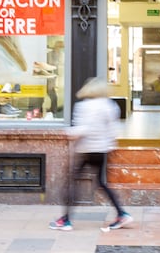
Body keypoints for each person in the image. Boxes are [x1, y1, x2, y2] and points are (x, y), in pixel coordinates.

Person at [49, 77, 133, 231]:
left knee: (72, 182)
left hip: (87, 149)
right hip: (102, 151)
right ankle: (122, 214)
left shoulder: (84, 106)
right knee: (100, 182)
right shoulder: (110, 105)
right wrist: (109, 146)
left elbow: (84, 129)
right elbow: (113, 130)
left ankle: (66, 220)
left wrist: (68, 133)